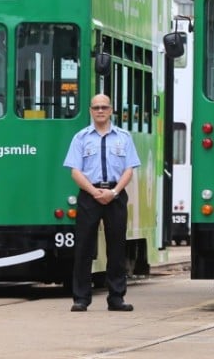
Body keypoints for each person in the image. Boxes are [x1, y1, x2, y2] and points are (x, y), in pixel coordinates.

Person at [63, 93, 140, 312]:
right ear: (90, 110)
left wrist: (114, 192)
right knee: (84, 247)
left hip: (115, 194)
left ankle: (116, 297)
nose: (100, 111)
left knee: (117, 247)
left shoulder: (123, 137)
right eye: (96, 107)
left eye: (104, 107)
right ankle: (81, 298)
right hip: (89, 194)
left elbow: (129, 169)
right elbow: (75, 171)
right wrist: (94, 192)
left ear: (111, 110)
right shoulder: (81, 137)